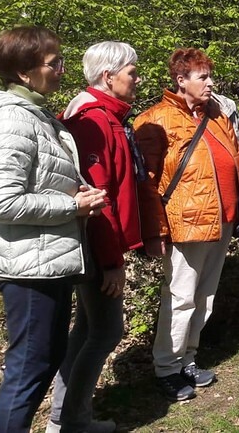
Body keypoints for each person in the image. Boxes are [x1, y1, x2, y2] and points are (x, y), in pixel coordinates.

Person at [0, 26, 107, 433]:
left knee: (44, 359)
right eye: (53, 63)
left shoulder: (36, 115)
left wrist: (74, 190)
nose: (62, 69)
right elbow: (3, 202)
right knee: (29, 367)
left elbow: (39, 180)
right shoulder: (10, 119)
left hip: (46, 259)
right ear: (24, 72)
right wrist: (72, 206)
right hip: (26, 267)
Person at [134, 48, 239, 401]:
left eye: (209, 76)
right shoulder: (156, 120)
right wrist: (155, 230)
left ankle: (187, 359)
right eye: (203, 77)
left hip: (221, 220)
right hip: (186, 224)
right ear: (181, 80)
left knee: (204, 297)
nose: (210, 83)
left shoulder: (216, 114)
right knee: (181, 297)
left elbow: (237, 163)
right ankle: (166, 368)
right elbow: (147, 182)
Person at [48, 42, 144, 433]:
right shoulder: (94, 120)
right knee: (106, 331)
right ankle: (72, 421)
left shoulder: (103, 115)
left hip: (93, 242)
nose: (138, 80)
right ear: (108, 76)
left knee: (88, 327)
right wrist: (112, 262)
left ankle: (62, 416)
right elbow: (98, 198)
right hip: (93, 243)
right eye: (132, 73)